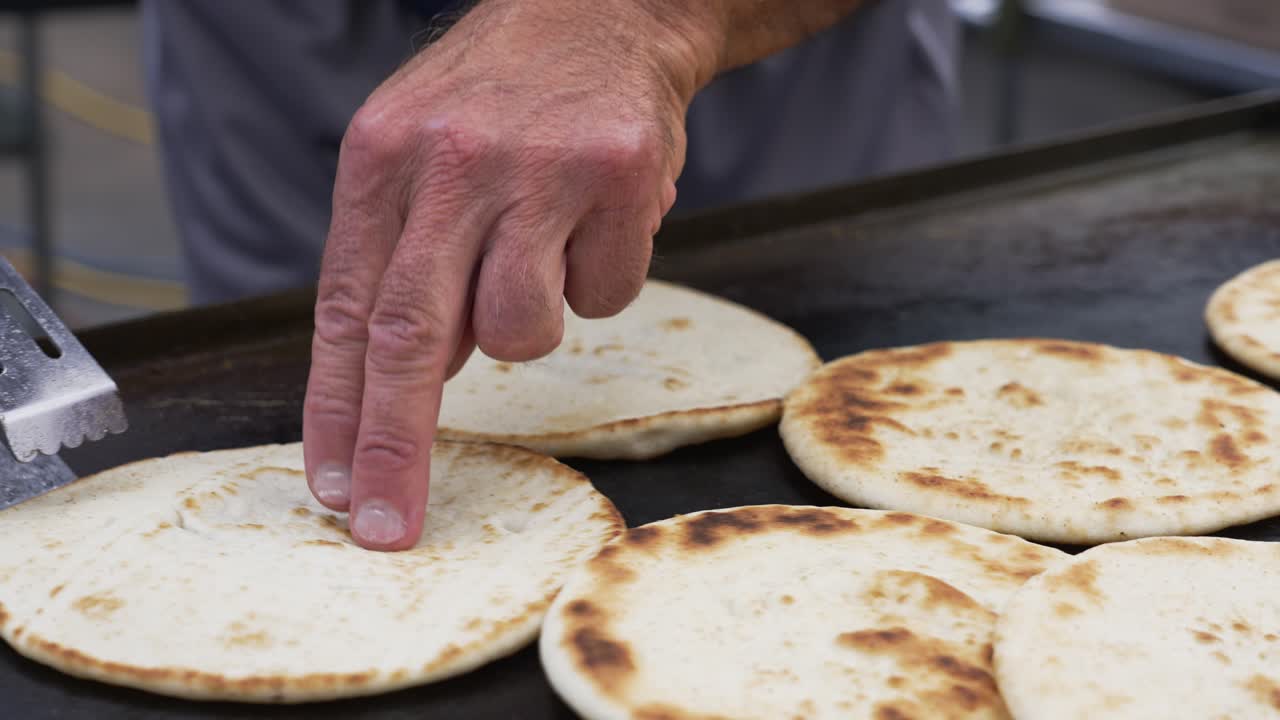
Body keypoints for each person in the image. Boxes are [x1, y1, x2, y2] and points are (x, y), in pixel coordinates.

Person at [142, 0, 960, 551]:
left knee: (873, 449)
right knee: (291, 408)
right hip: (293, 32)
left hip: (776, 54)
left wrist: (651, 17)